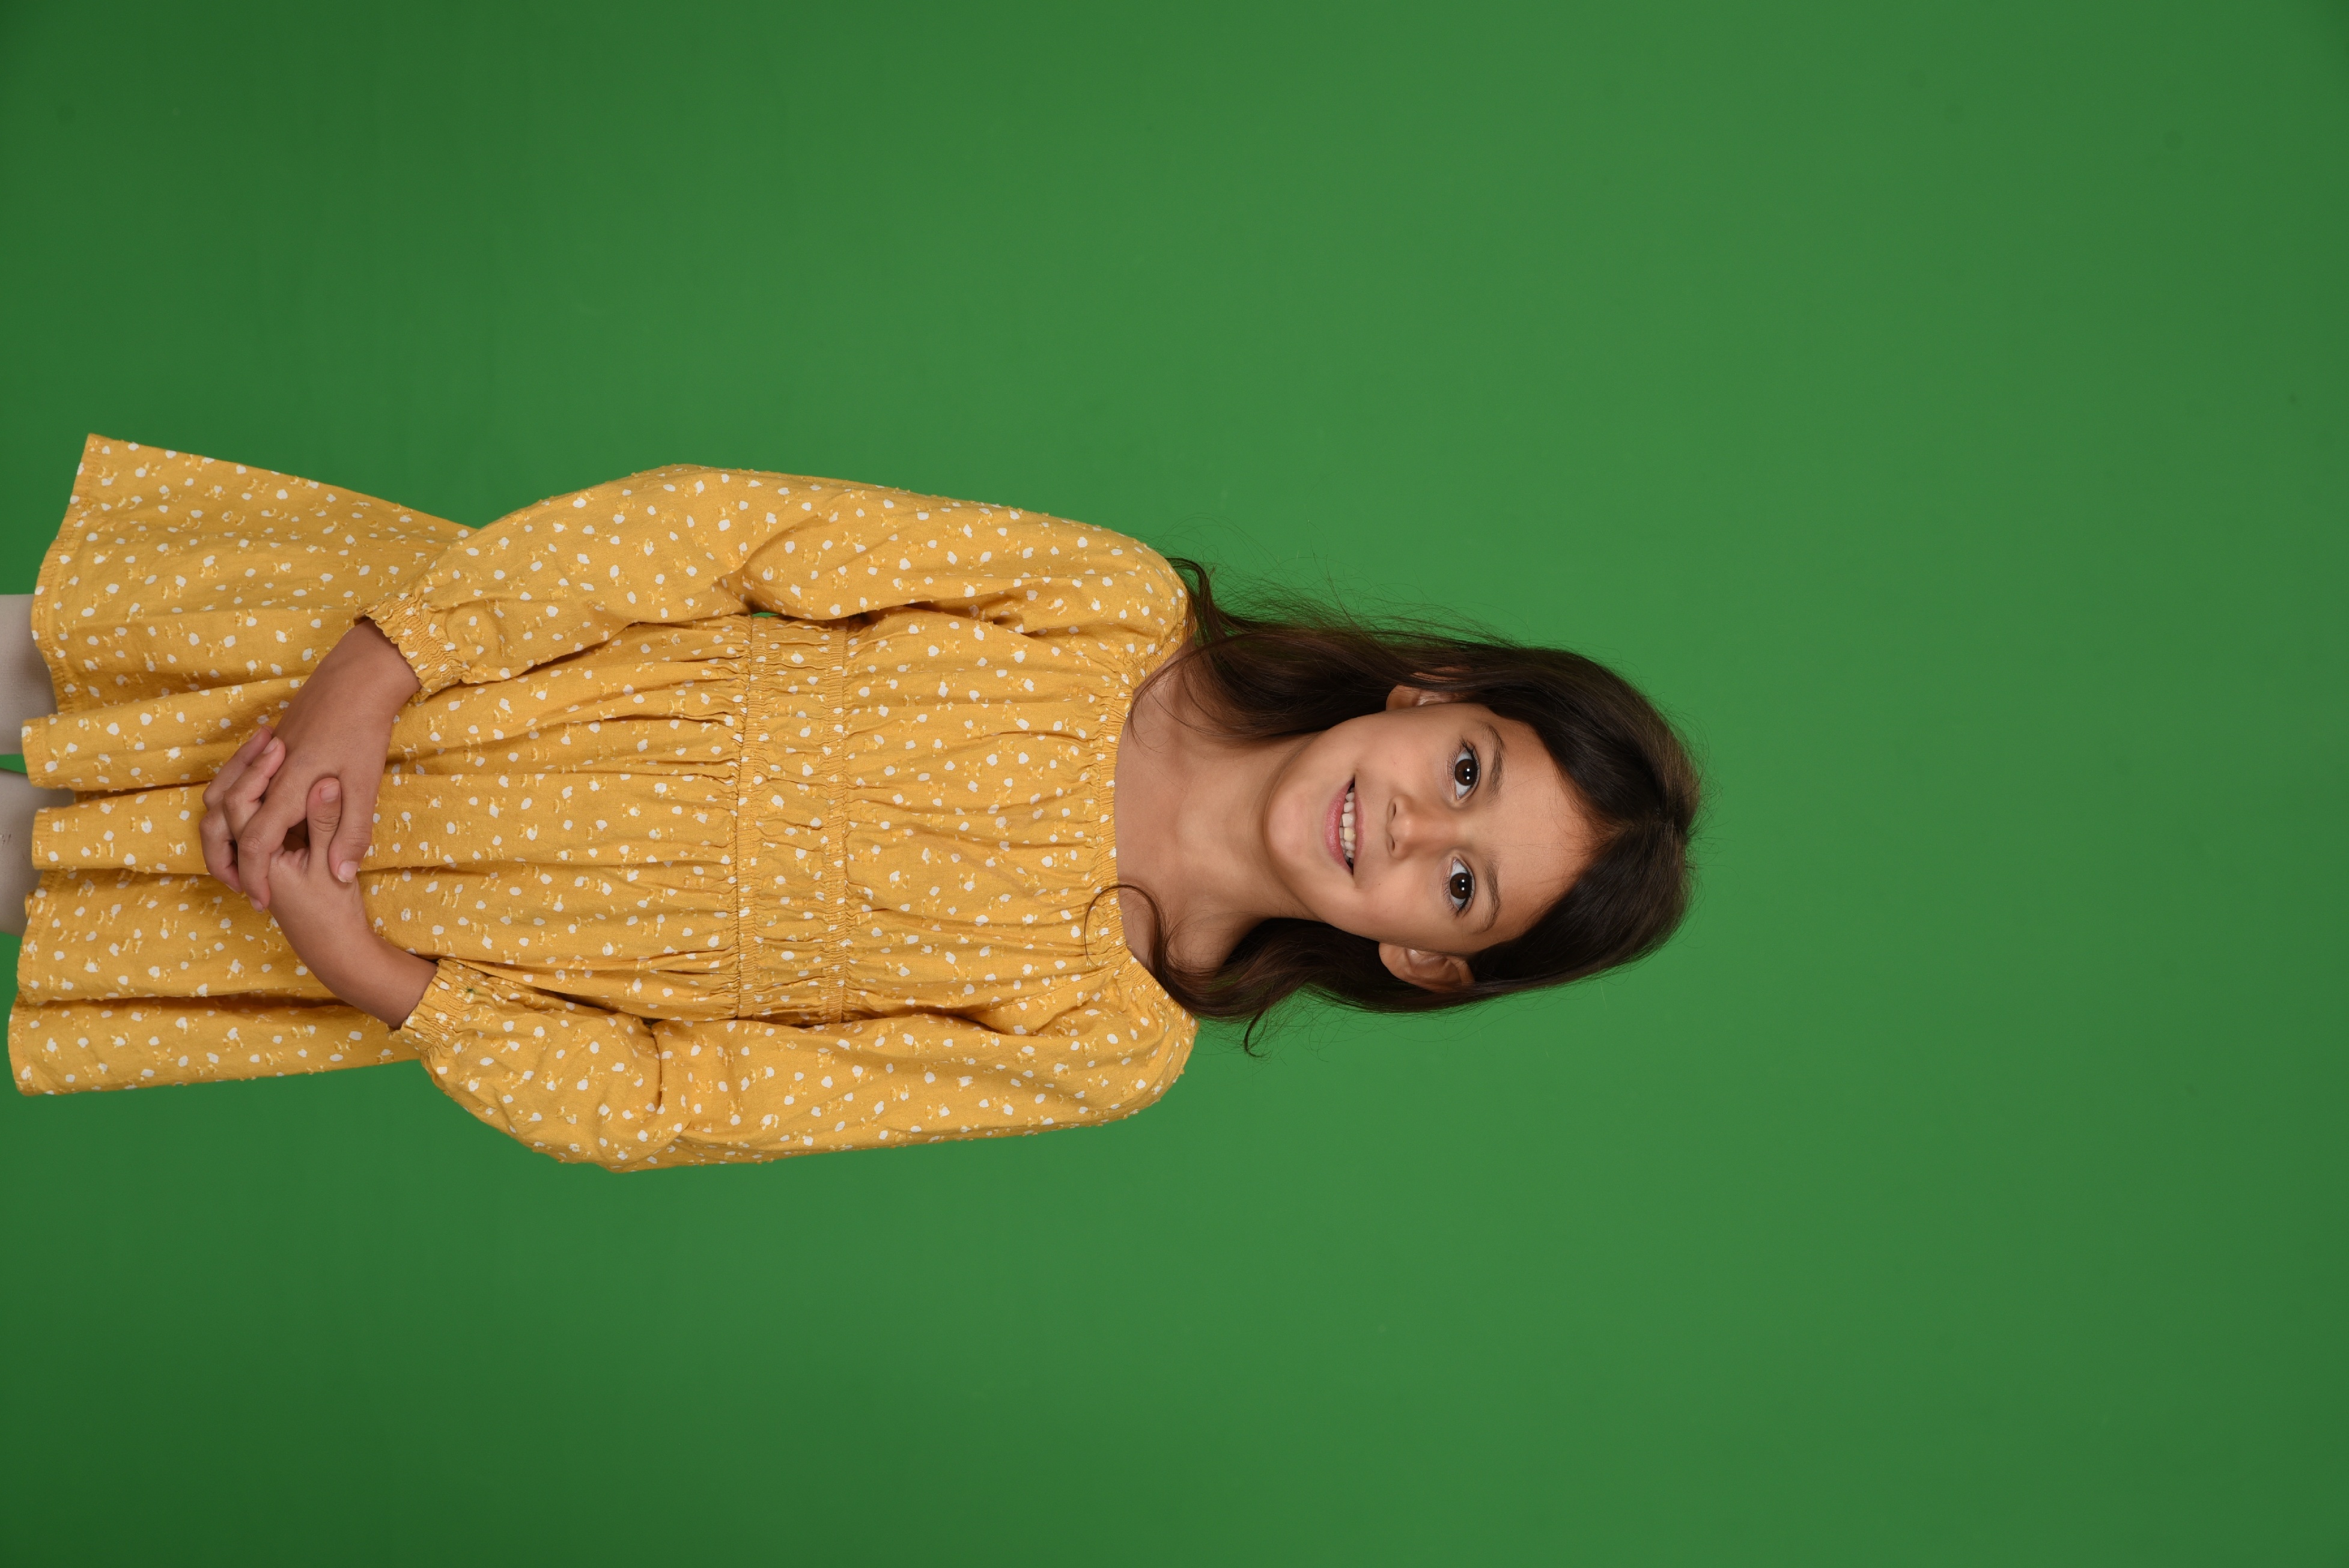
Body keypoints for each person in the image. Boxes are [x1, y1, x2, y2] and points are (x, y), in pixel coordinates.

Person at [3, 434, 1700, 1169]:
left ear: (1423, 960)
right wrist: (376, 673)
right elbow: (715, 528)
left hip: (360, 913)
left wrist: (369, 967)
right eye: (1465, 774)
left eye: (1461, 885)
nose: (1411, 829)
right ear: (1428, 698)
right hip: (416, 657)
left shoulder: (1103, 1040)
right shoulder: (1107, 609)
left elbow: (687, 1105)